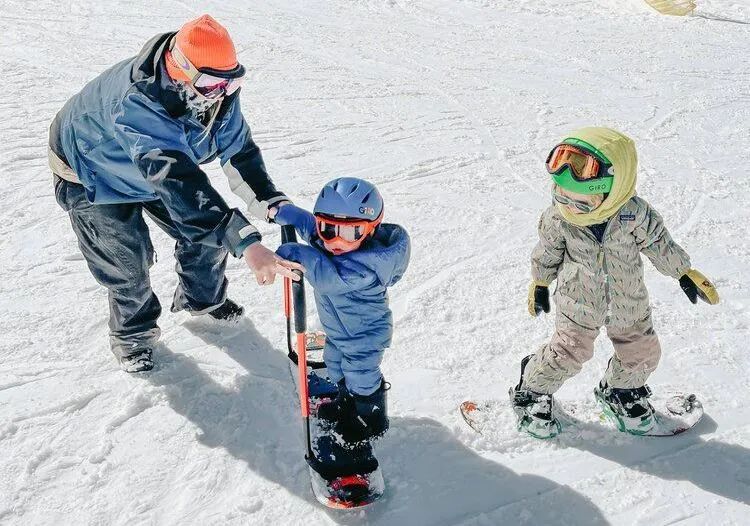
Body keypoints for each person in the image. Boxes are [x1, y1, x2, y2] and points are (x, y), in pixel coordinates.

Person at [49, 15, 301, 373]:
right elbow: (176, 179)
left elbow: (238, 149)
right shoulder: (136, 102)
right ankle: (133, 334)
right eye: (213, 82)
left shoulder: (216, 93)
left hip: (151, 166)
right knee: (128, 262)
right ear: (179, 67)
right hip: (93, 170)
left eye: (230, 82)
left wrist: (270, 200)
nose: (223, 92)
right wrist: (246, 242)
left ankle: (201, 301)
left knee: (206, 234)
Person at [512, 127, 719, 438]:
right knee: (568, 354)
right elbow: (547, 251)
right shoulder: (559, 219)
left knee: (643, 353)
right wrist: (540, 282)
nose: (570, 207)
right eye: (561, 196)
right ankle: (530, 393)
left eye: (582, 203)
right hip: (578, 302)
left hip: (629, 301)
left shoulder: (632, 214)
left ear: (614, 190)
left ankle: (620, 393)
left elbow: (658, 242)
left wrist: (683, 272)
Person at [272, 177, 410, 444]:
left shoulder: (365, 267)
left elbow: (325, 276)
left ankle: (371, 417)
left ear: (370, 229)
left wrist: (293, 252)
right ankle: (346, 402)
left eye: (350, 232)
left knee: (361, 376)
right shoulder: (334, 241)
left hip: (365, 336)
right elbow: (312, 230)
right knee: (335, 365)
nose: (336, 241)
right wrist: (290, 214)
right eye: (328, 228)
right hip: (340, 332)